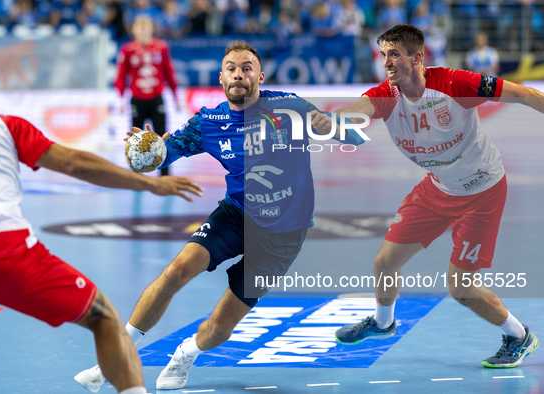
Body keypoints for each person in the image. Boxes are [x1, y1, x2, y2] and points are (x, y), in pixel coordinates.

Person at [74, 39, 366, 391]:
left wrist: (331, 126)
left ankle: (186, 353)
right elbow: (165, 154)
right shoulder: (209, 122)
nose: (239, 74)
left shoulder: (289, 107)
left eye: (246, 68)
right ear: (221, 77)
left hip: (282, 236)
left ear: (259, 75)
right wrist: (147, 147)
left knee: (218, 328)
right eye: (231, 68)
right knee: (176, 271)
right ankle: (115, 360)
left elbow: (355, 135)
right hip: (237, 214)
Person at [0, 55, 203, 394]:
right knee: (104, 318)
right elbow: (75, 163)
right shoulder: (1, 123)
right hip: (9, 251)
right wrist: (150, 183)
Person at [325, 24, 542, 368]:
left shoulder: (456, 84)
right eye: (384, 55)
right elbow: (356, 111)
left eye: (394, 54)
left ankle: (520, 336)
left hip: (481, 193)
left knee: (461, 288)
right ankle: (383, 323)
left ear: (417, 57)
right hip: (437, 188)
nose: (387, 63)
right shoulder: (387, 95)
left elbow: (521, 94)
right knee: (384, 263)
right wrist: (327, 122)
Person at [115, 15, 179, 176]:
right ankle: (137, 176)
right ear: (134, 29)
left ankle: (165, 176)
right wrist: (120, 99)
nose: (143, 30)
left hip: (157, 97)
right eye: (139, 27)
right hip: (137, 99)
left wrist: (175, 96)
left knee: (162, 137)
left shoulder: (161, 47)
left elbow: (169, 72)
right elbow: (121, 75)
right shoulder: (127, 49)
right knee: (136, 140)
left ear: (151, 29)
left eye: (146, 27)